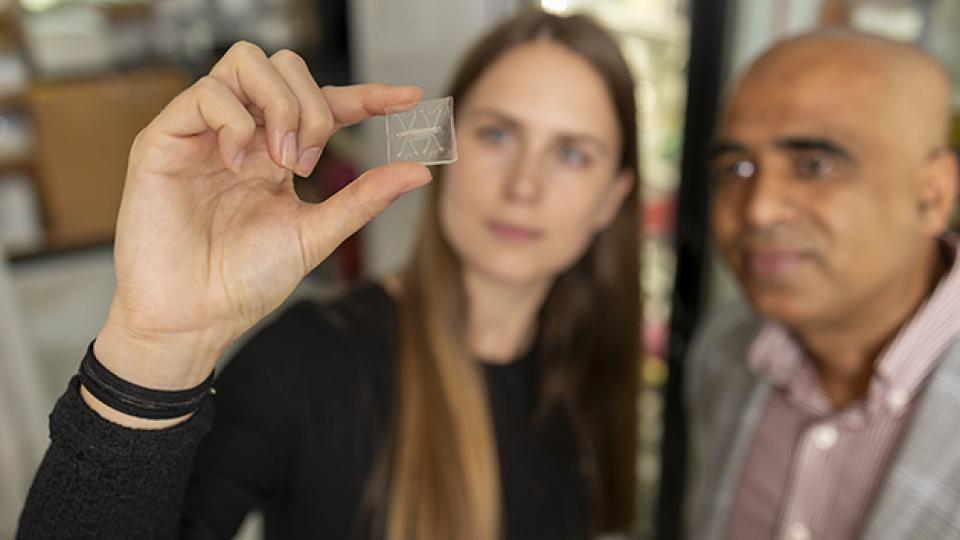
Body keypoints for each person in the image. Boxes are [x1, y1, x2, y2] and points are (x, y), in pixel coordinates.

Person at [17, 8, 641, 540]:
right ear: (445, 146)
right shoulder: (313, 363)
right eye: (498, 133)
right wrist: (155, 348)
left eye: (571, 153)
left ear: (612, 198)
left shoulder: (589, 364)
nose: (524, 185)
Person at [686, 30, 960, 540]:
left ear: (931, 197)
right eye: (736, 168)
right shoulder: (724, 352)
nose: (760, 209)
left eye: (814, 166)